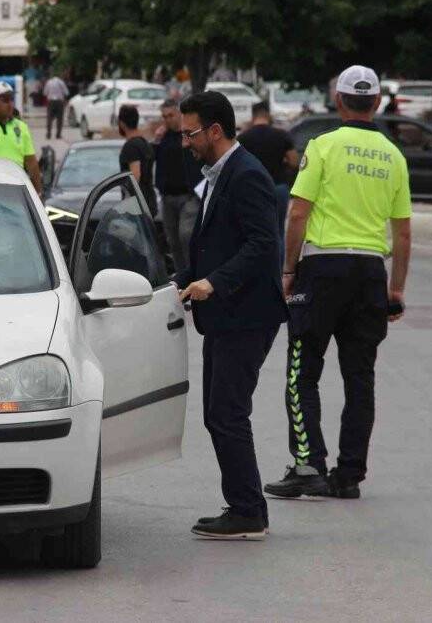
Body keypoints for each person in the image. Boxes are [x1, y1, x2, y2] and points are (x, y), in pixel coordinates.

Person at [264, 65, 412, 501]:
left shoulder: (323, 147)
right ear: (379, 102)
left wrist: (288, 270)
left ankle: (309, 465)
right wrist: (396, 288)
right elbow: (402, 232)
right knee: (359, 376)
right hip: (370, 272)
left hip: (323, 268)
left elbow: (297, 212)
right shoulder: (393, 156)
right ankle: (349, 475)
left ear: (339, 101)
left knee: (301, 370)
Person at [175, 91, 287, 540]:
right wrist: (179, 279)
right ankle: (243, 504)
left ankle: (248, 511)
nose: (186, 142)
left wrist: (215, 282)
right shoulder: (219, 173)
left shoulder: (246, 175)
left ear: (215, 130)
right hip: (225, 314)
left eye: (191, 133)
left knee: (227, 412)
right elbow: (212, 243)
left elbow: (263, 245)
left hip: (248, 313)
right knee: (218, 413)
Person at [237, 102, 299, 247]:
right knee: (278, 233)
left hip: (253, 189)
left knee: (254, 233)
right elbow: (294, 162)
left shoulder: (244, 138)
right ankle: (277, 268)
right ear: (268, 115)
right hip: (278, 187)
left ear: (253, 117)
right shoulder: (282, 135)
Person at [154, 99, 202, 271]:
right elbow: (153, 159)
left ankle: (194, 272)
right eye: (164, 116)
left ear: (179, 115)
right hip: (168, 196)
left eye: (171, 115)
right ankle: (182, 276)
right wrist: (157, 140)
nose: (167, 119)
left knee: (186, 235)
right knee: (172, 240)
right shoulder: (164, 137)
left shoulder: (188, 135)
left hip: (188, 195)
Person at [117, 105, 158, 217]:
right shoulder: (145, 143)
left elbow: (135, 176)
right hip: (149, 201)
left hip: (137, 207)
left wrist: (126, 205)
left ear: (121, 124)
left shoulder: (131, 146)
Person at [43, 73, 70, 140]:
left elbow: (45, 93)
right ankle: (58, 134)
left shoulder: (49, 82)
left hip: (51, 102)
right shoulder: (61, 82)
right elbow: (67, 92)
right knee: (60, 118)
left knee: (49, 118)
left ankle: (48, 134)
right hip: (59, 102)